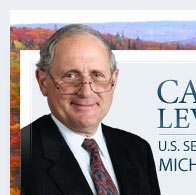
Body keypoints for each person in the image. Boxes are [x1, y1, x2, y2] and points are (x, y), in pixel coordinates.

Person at [21, 24, 161, 195]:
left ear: (113, 81)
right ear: (43, 82)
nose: (86, 92)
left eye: (97, 75)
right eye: (70, 76)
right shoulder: (16, 156)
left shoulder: (138, 149)